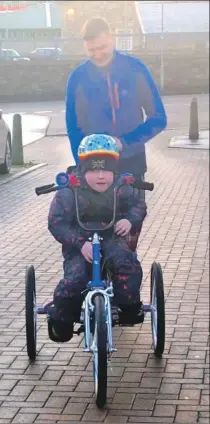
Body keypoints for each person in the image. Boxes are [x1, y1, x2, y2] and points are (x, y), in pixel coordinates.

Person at [65, 17, 167, 250]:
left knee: (125, 243)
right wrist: (81, 164)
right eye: (92, 51)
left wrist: (124, 143)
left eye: (102, 48)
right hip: (92, 171)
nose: (98, 55)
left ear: (111, 38)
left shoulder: (135, 69)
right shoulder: (78, 78)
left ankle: (124, 282)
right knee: (91, 242)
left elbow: (158, 118)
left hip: (130, 167)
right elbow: (73, 127)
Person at [47, 134, 147, 342]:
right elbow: (57, 222)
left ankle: (128, 306)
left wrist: (129, 220)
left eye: (107, 170)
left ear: (115, 171)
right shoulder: (69, 191)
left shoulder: (122, 187)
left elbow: (138, 205)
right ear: (83, 171)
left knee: (126, 263)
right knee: (74, 279)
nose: (101, 176)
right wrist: (78, 242)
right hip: (80, 242)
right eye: (93, 170)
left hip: (112, 237)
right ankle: (63, 318)